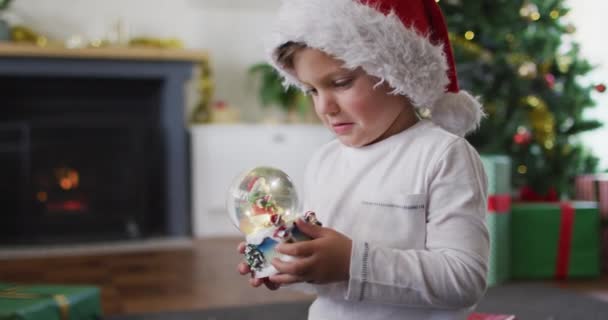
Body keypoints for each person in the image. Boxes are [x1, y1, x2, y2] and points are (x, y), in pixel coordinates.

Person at [237, 0, 490, 319]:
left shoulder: (442, 155)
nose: (324, 107)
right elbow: (327, 275)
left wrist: (352, 263)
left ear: (398, 72)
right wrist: (289, 262)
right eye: (311, 90)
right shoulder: (324, 161)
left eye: (340, 83)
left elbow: (464, 279)